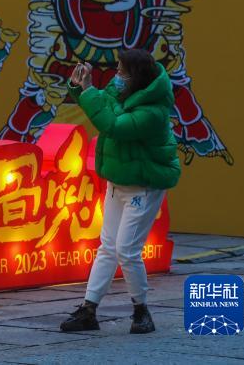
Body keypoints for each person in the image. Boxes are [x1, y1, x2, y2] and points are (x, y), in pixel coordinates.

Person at [60, 48, 181, 334]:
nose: (116, 76)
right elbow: (103, 105)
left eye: (121, 71)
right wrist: (81, 87)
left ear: (135, 76)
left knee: (127, 250)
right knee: (107, 247)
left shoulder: (153, 111)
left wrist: (90, 92)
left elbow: (114, 125)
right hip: (118, 182)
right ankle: (88, 310)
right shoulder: (122, 92)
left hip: (143, 186)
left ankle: (141, 311)